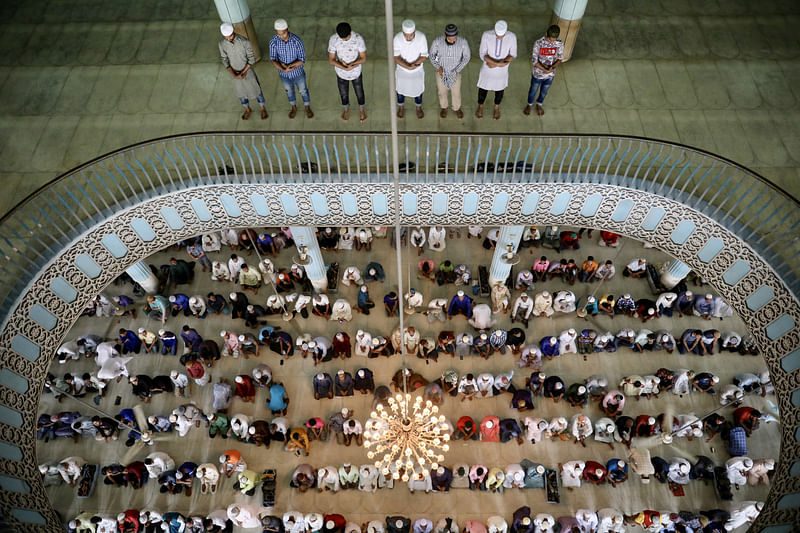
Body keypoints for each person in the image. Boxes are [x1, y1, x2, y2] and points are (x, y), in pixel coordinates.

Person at [270, 19, 313, 118]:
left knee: (303, 90)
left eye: (284, 33)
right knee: (289, 91)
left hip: (298, 73)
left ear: (288, 29)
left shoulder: (296, 41)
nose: (282, 36)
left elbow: (302, 59)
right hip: (284, 75)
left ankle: (307, 107)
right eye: (279, 34)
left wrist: (288, 67)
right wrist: (283, 69)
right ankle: (293, 107)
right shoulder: (273, 42)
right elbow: (272, 59)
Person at [476, 20, 517, 119]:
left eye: (502, 36)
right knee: (483, 89)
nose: (499, 37)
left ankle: (496, 107)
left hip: (501, 70)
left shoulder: (511, 37)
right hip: (488, 68)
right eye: (497, 35)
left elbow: (513, 54)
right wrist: (498, 63)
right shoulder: (486, 35)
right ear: (494, 29)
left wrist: (496, 64)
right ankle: (480, 106)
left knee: (499, 91)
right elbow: (482, 54)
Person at [428, 24, 471, 118]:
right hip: (441, 71)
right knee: (442, 91)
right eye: (450, 38)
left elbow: (466, 57)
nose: (452, 40)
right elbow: (432, 55)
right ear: (445, 34)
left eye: (454, 38)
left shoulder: (463, 42)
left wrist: (457, 70)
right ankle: (444, 107)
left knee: (456, 92)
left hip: (455, 72)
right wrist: (438, 66)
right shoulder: (437, 42)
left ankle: (456, 108)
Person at [523, 25, 563, 116]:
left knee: (544, 91)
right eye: (550, 40)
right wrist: (545, 69)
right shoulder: (538, 43)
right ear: (546, 34)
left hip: (550, 75)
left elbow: (560, 58)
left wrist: (552, 68)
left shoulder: (559, 43)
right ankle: (529, 105)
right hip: (538, 74)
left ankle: (539, 104)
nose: (551, 42)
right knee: (533, 90)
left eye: (554, 40)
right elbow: (534, 61)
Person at [393, 20, 428, 118]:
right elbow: (396, 57)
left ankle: (418, 107)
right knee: (400, 91)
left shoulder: (421, 38)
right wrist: (407, 66)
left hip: (417, 71)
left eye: (411, 35)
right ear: (403, 33)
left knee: (418, 91)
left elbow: (424, 55)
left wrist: (414, 65)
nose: (408, 37)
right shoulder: (397, 39)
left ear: (415, 32)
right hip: (402, 71)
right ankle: (401, 107)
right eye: (406, 35)